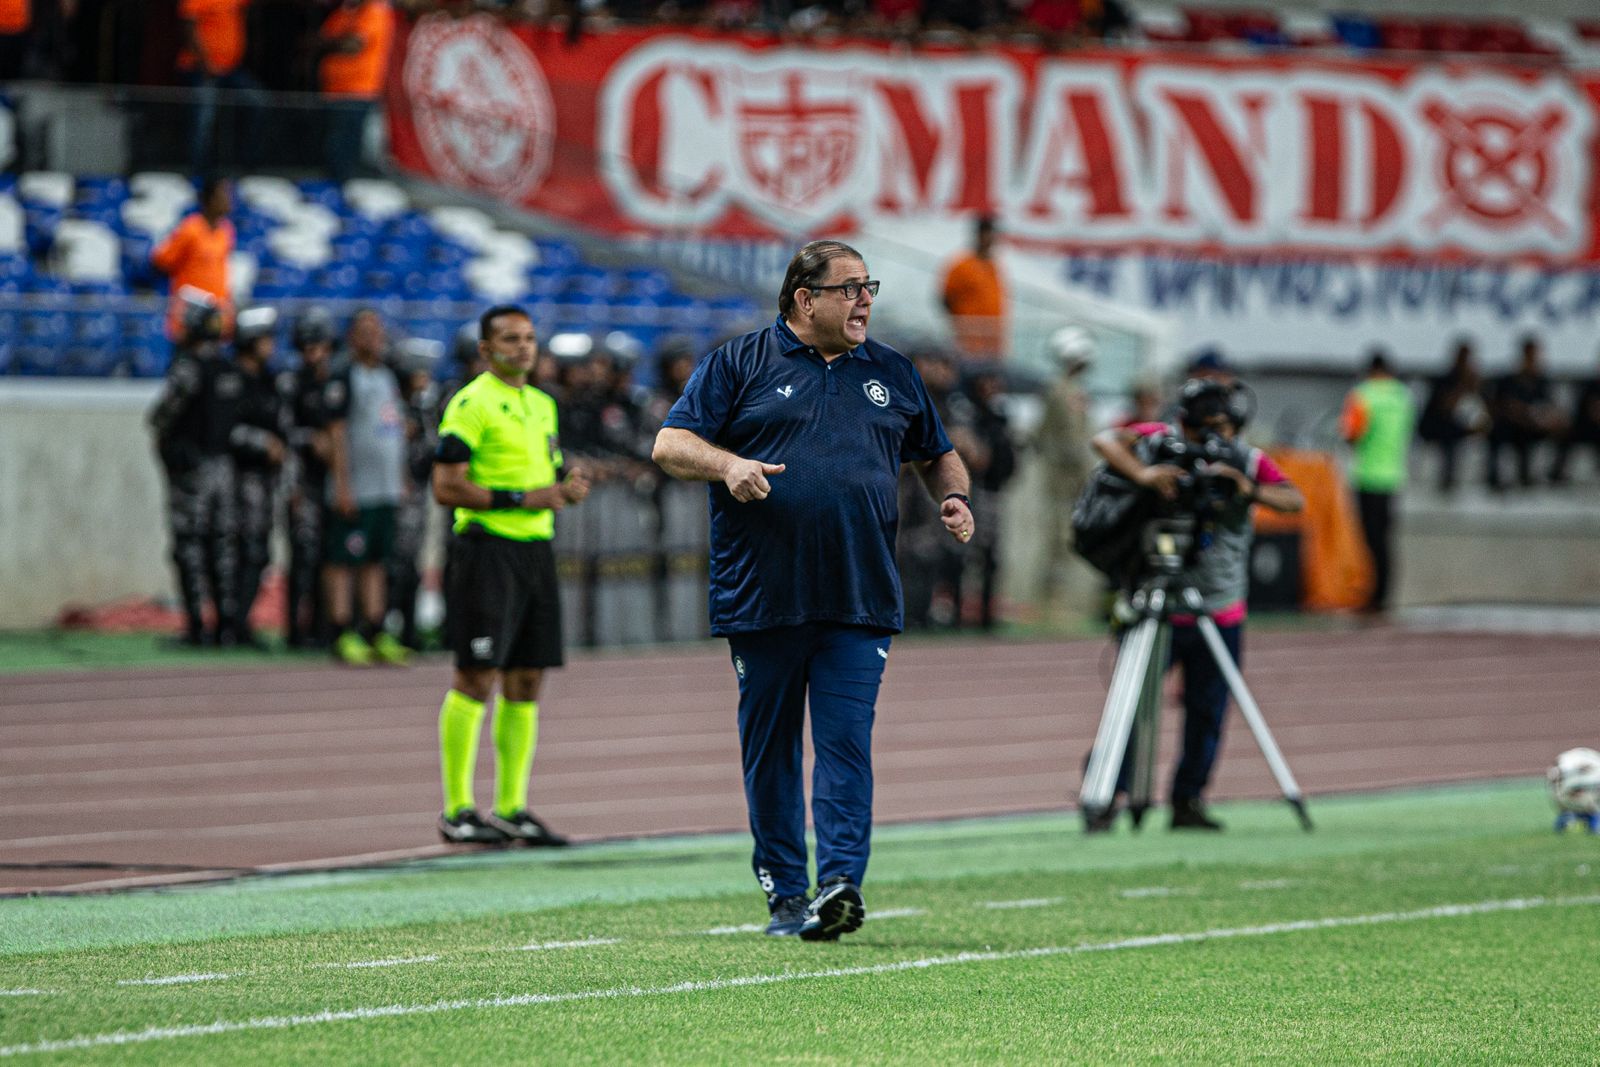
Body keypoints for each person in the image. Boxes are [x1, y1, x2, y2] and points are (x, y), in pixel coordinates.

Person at [652, 240, 973, 939]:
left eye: (870, 287)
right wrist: (728, 464)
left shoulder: (892, 371)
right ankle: (785, 895)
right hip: (762, 594)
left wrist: (952, 496)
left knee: (845, 743)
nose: (866, 300)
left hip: (860, 598)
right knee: (771, 752)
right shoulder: (738, 363)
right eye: (852, 288)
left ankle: (838, 884)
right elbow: (670, 444)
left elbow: (938, 452)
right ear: (806, 299)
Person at [1090, 377, 1303, 831]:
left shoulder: (1246, 460)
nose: (1209, 439)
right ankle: (1107, 792)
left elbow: (1294, 499)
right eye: (1199, 427)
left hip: (1219, 603)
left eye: (1220, 428)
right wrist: (1145, 474)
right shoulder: (1159, 443)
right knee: (1132, 705)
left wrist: (1248, 489)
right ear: (1181, 421)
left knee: (1208, 710)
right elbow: (1105, 439)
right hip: (1154, 596)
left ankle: (1188, 799)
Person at [431, 305, 591, 846]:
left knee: (526, 678)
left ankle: (512, 807)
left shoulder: (543, 405)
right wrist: (525, 497)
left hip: (534, 550)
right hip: (486, 551)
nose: (523, 347)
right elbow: (446, 486)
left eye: (528, 338)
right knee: (476, 675)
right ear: (484, 348)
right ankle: (457, 808)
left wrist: (566, 485)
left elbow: (548, 469)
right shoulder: (470, 405)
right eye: (509, 339)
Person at [146, 291, 244, 647]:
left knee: (189, 546)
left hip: (194, 470)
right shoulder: (228, 367)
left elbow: (161, 416)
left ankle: (197, 627)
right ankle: (227, 626)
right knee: (223, 548)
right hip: (225, 469)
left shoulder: (188, 367)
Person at [323, 308, 411, 666]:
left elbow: (394, 429)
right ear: (352, 337)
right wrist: (343, 485)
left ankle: (375, 630)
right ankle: (342, 631)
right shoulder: (344, 375)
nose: (374, 338)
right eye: (365, 331)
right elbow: (336, 433)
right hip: (355, 487)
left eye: (377, 330)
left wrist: (401, 477)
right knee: (344, 561)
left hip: (385, 487)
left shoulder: (390, 375)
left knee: (376, 560)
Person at [228, 306, 289, 646]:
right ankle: (231, 622)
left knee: (258, 552)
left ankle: (242, 620)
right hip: (237, 480)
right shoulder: (233, 379)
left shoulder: (270, 380)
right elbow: (222, 428)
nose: (271, 345)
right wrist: (261, 442)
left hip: (266, 481)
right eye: (265, 338)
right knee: (238, 551)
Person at [1340, 349, 1415, 616]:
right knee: (1384, 539)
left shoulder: (1363, 395)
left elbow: (1351, 433)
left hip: (1369, 474)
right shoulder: (1403, 396)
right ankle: (1383, 594)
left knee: (1370, 541)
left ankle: (1373, 595)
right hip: (1394, 475)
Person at [283, 307, 338, 649]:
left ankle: (323, 627)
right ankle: (294, 630)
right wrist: (310, 439)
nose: (313, 353)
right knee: (301, 556)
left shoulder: (338, 383)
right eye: (307, 346)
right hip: (302, 480)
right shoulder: (291, 383)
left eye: (319, 345)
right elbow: (283, 430)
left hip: (333, 481)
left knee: (327, 557)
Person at [1034, 325, 1097, 623]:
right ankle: (1052, 605)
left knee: (1063, 540)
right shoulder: (1062, 391)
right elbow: (1071, 441)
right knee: (1058, 539)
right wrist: (1088, 473)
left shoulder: (1067, 390)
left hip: (1066, 479)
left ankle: (1056, 602)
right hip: (1064, 480)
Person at [176, 0, 262, 172]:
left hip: (231, 69)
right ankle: (196, 173)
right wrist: (205, 63)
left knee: (258, 103)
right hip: (201, 69)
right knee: (203, 118)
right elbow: (188, 29)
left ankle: (246, 167)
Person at [316, 0, 396, 183]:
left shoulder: (375, 9)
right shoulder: (346, 10)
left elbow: (353, 45)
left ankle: (343, 190)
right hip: (333, 90)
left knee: (346, 148)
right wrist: (337, 41)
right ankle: (333, 188)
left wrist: (333, 42)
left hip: (358, 91)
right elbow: (320, 38)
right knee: (330, 147)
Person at [150, 177, 235, 344]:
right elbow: (161, 260)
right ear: (209, 200)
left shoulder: (226, 230)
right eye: (223, 195)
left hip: (216, 312)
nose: (228, 200)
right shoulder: (190, 229)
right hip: (190, 314)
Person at [1486, 335, 1565, 491]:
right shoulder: (1509, 380)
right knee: (1497, 432)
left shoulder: (1541, 381)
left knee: (1562, 432)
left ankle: (1553, 475)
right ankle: (1495, 477)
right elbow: (1501, 405)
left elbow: (1549, 406)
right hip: (1511, 426)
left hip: (1534, 426)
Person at [1417, 339, 1489, 495]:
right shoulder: (1444, 380)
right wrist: (1464, 386)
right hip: (1438, 427)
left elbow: (1483, 410)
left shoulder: (1476, 382)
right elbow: (1445, 407)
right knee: (1450, 441)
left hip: (1464, 428)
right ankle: (1447, 482)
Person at [939, 215, 1006, 360]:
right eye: (986, 234)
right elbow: (945, 299)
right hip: (968, 344)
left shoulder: (993, 266)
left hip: (991, 343)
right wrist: (962, 326)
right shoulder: (962, 265)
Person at [1550, 347, 1600, 485]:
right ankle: (1556, 473)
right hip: (1587, 428)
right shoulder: (1589, 385)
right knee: (1564, 434)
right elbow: (1588, 412)